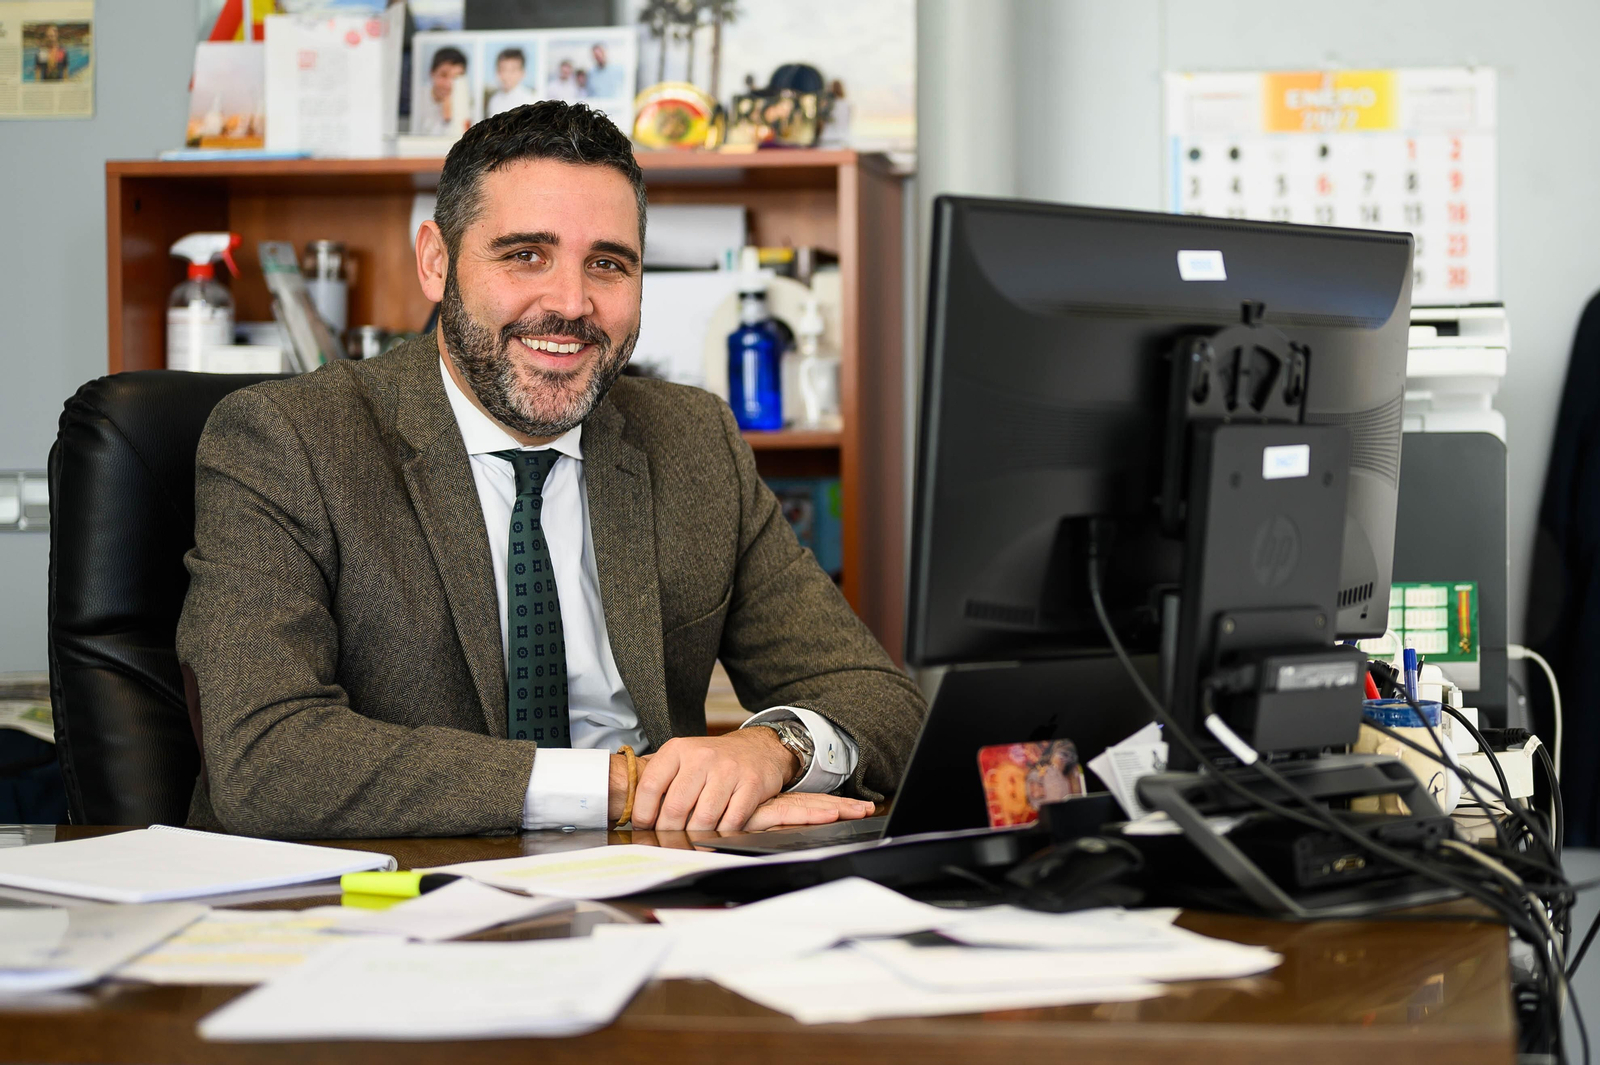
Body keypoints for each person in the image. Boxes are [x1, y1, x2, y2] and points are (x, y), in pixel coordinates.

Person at [178, 101, 926, 839]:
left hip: (650, 890)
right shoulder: (288, 440)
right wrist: (623, 787)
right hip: (392, 908)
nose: (571, 304)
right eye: (524, 254)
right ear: (436, 260)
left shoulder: (692, 440)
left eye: (608, 263)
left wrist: (771, 751)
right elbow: (265, 756)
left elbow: (879, 701)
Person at [415, 46, 470, 137]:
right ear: (432, 73)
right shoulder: (418, 99)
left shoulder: (467, 103)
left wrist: (447, 119)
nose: (449, 85)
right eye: (444, 75)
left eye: (456, 78)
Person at [485, 47, 538, 117]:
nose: (507, 75)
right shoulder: (494, 100)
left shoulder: (531, 100)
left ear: (522, 73)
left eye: (512, 70)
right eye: (503, 69)